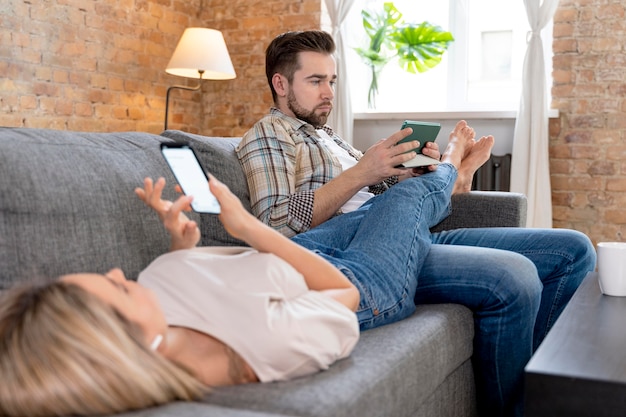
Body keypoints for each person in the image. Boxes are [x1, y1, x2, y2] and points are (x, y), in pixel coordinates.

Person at [236, 30, 597, 417]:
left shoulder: (330, 138)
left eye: (332, 81)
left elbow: (379, 189)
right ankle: (451, 172)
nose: (328, 91)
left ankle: (443, 176)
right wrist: (362, 172)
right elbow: (276, 228)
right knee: (512, 278)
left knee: (573, 250)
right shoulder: (269, 135)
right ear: (280, 83)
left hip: (403, 226)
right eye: (315, 81)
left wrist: (408, 173)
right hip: (358, 249)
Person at [0, 131, 472, 417]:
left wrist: (181, 247)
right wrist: (246, 228)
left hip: (289, 255)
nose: (123, 272)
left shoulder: (156, 324)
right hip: (361, 283)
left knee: (382, 208)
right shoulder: (265, 346)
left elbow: (206, 291)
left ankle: (438, 198)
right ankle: (451, 170)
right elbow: (339, 290)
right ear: (121, 348)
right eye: (117, 288)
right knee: (404, 198)